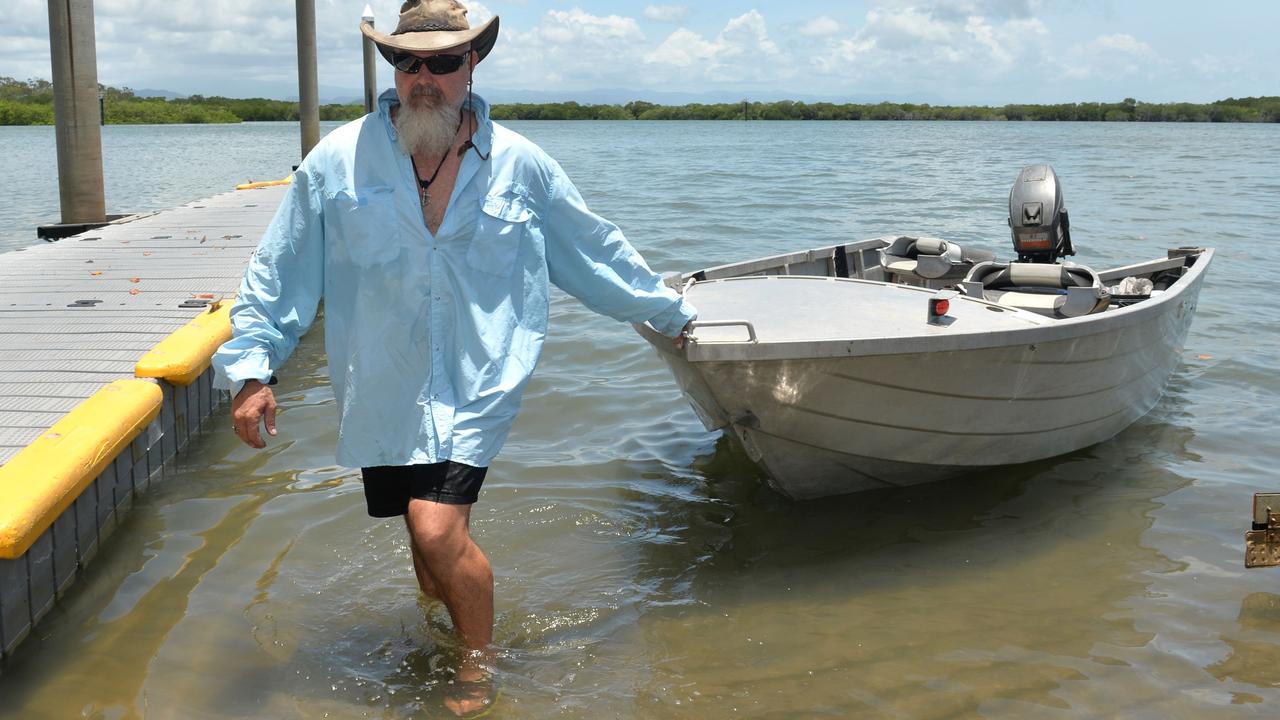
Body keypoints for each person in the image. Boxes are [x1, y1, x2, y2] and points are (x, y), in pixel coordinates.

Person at [211, 0, 696, 716]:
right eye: (411, 62)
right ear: (393, 70)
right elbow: (280, 273)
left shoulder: (522, 165)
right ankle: (439, 627)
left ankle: (476, 668)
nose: (425, 78)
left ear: (473, 65)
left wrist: (671, 315)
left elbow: (592, 252)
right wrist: (253, 371)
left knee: (437, 527)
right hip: (381, 381)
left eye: (443, 62)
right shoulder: (336, 163)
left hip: (478, 379)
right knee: (421, 534)